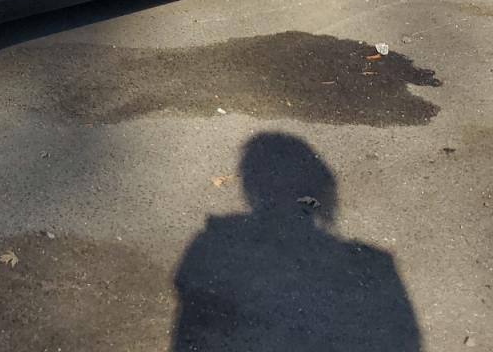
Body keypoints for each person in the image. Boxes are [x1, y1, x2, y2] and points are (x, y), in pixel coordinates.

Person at [172, 133, 421, 351]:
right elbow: (405, 339)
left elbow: (192, 333)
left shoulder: (213, 245)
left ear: (251, 190)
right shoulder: (374, 265)